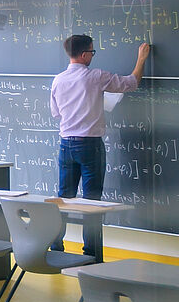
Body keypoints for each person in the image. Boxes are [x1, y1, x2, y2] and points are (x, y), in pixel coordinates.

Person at [50, 35, 151, 206]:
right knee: (93, 202)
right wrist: (141, 59)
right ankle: (91, 234)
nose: (92, 55)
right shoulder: (96, 77)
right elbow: (131, 83)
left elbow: (56, 113)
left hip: (66, 145)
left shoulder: (58, 80)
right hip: (90, 145)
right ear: (83, 55)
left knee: (64, 200)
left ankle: (60, 233)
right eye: (92, 52)